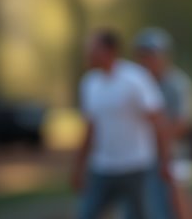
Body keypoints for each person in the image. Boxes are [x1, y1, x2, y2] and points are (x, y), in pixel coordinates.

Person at [71, 29, 172, 219]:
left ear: (110, 51)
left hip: (136, 166)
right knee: (87, 213)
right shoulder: (89, 84)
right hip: (103, 167)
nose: (88, 54)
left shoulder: (135, 79)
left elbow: (159, 121)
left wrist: (165, 160)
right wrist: (79, 166)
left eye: (93, 48)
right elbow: (90, 129)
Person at [132, 27, 192, 219]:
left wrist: (159, 138)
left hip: (175, 153)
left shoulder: (177, 83)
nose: (147, 60)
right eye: (143, 55)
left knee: (180, 201)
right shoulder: (138, 83)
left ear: (164, 55)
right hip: (144, 156)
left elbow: (184, 122)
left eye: (151, 54)